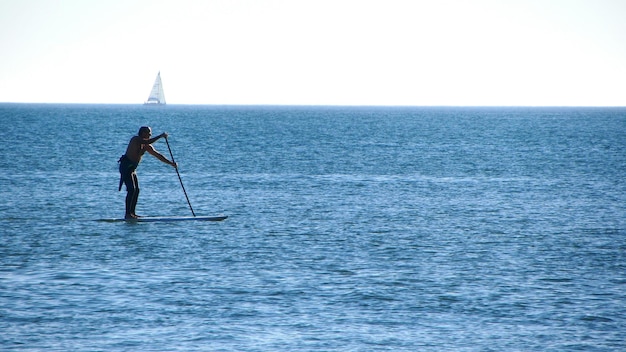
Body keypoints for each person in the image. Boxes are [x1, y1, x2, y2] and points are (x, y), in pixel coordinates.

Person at [118, 126, 177, 219]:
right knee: (131, 189)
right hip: (126, 167)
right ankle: (127, 214)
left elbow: (158, 155)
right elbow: (147, 141)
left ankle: (132, 213)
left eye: (150, 133)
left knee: (136, 190)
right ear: (142, 133)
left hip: (132, 169)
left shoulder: (146, 146)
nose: (150, 135)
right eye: (148, 133)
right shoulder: (136, 139)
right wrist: (161, 136)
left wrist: (171, 163)